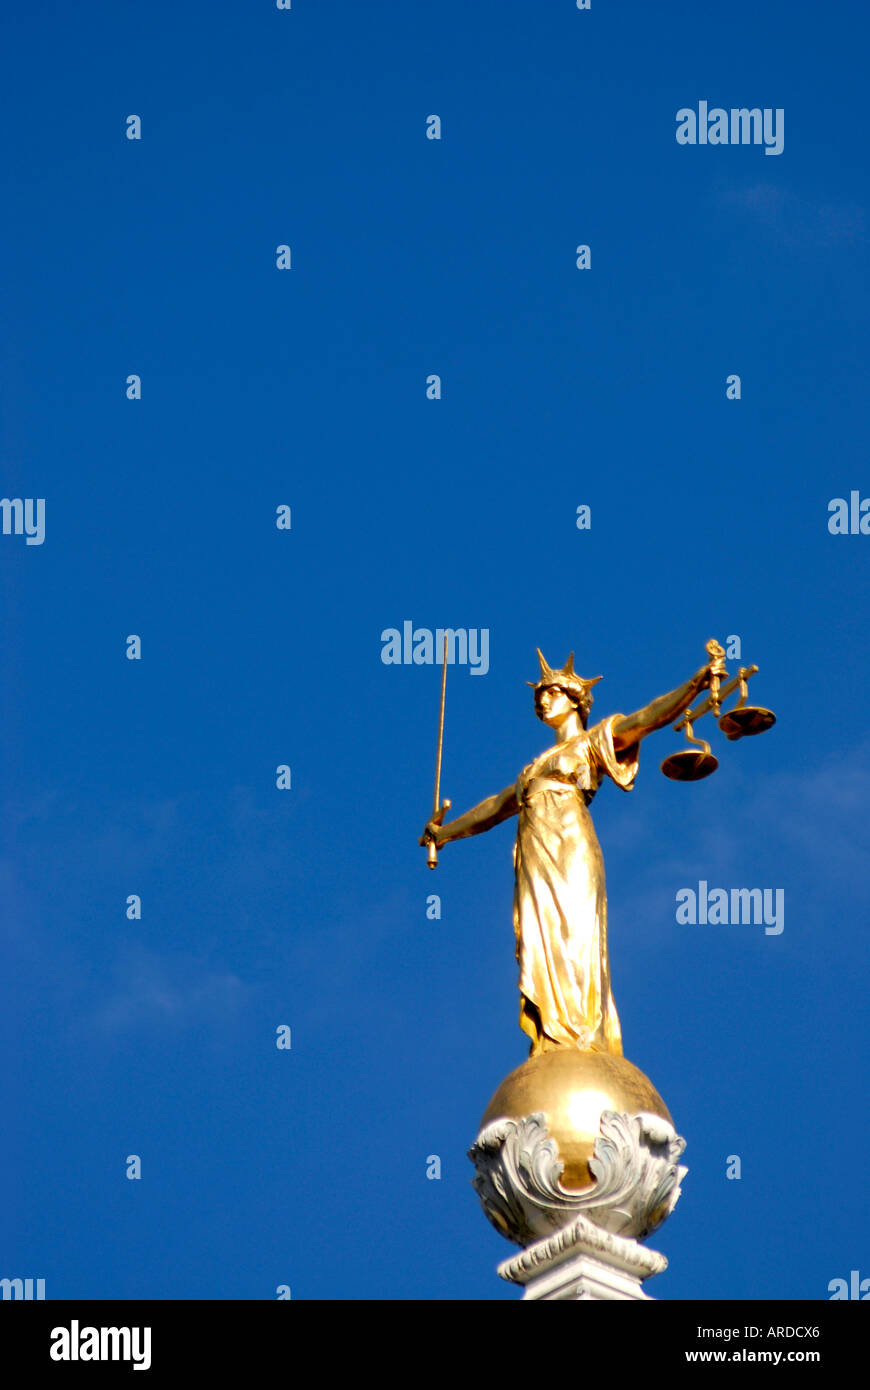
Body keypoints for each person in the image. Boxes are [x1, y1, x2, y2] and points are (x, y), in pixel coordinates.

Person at [420, 648, 719, 1056]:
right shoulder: (532, 769)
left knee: (574, 931)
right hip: (534, 850)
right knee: (540, 936)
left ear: (576, 701)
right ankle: (551, 1032)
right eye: (539, 696)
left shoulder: (592, 743)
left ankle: (580, 1031)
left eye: (553, 692)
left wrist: (696, 683)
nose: (543, 701)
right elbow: (494, 807)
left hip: (570, 843)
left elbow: (649, 717)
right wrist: (444, 834)